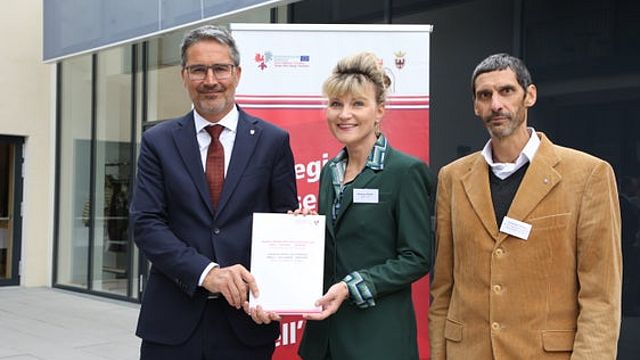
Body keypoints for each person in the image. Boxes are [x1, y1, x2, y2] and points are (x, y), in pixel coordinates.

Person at [429, 53, 622, 359]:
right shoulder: (452, 178)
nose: (496, 104)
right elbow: (442, 289)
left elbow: (601, 297)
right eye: (485, 95)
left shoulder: (588, 175)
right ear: (476, 106)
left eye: (506, 91)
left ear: (529, 95)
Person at [130, 24, 298, 360]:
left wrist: (274, 289)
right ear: (184, 76)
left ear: (237, 73)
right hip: (172, 324)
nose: (210, 80)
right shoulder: (157, 142)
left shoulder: (273, 141)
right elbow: (146, 223)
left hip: (246, 323)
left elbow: (283, 222)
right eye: (198, 70)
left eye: (220, 68)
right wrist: (207, 274)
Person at [295, 52, 434, 359]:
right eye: (336, 104)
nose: (345, 114)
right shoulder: (329, 172)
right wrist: (305, 233)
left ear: (379, 110)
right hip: (324, 342)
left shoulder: (405, 171)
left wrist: (351, 286)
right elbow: (337, 247)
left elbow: (417, 257)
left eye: (357, 103)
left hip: (376, 341)